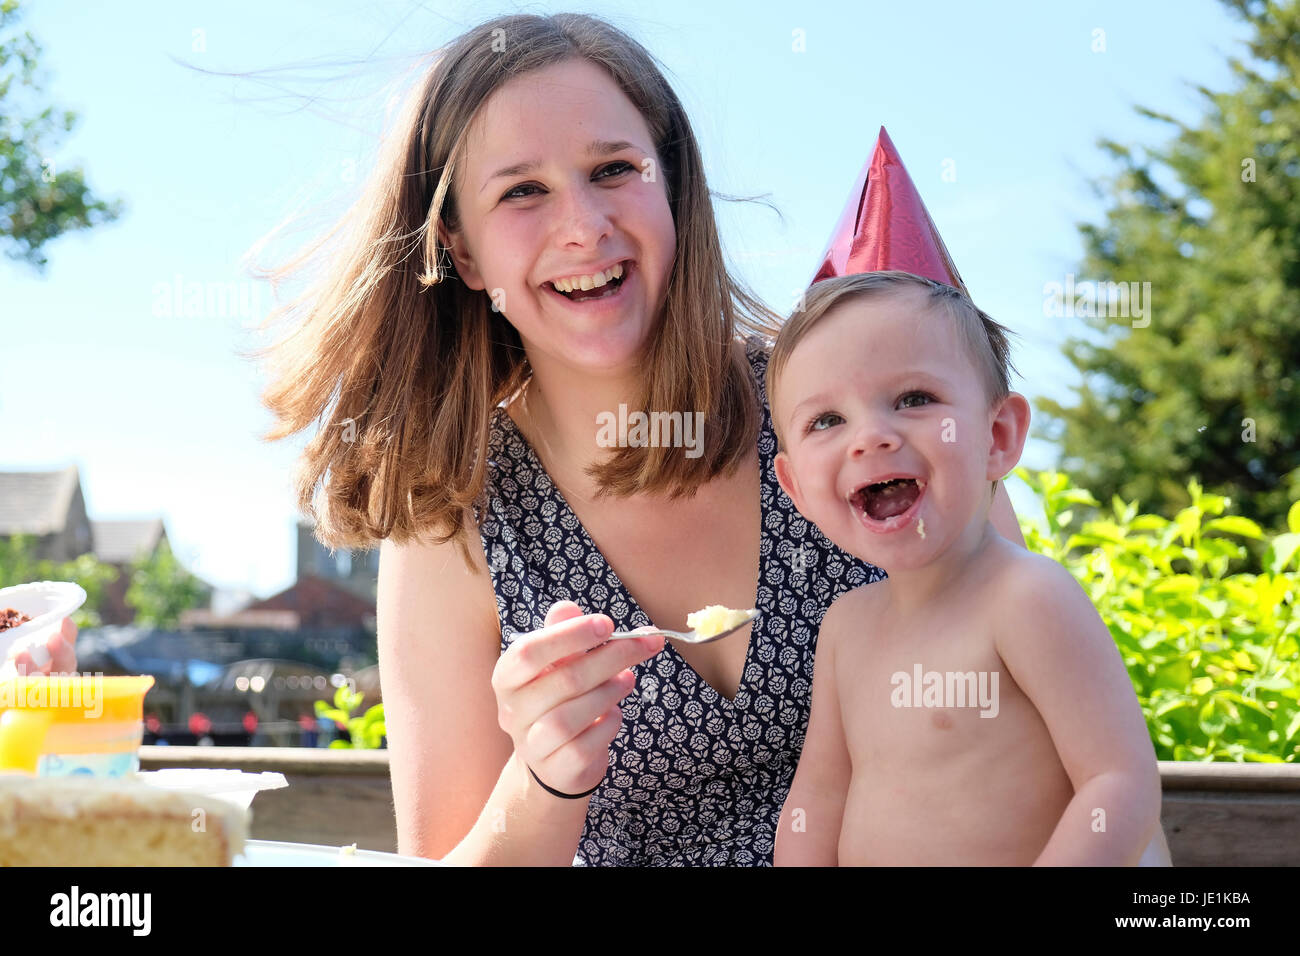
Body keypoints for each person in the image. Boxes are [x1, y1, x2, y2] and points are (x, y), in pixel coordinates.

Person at [249, 12, 1168, 865]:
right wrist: (543, 775)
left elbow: (1087, 766)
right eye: (523, 191)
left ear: (673, 188)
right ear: (463, 250)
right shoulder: (453, 513)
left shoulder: (860, 411)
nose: (584, 225)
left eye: (614, 170)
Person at [768, 272, 1163, 864]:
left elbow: (1118, 782)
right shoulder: (846, 628)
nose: (871, 437)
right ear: (795, 487)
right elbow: (820, 796)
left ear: (998, 436)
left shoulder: (1025, 597)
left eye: (913, 400)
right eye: (826, 421)